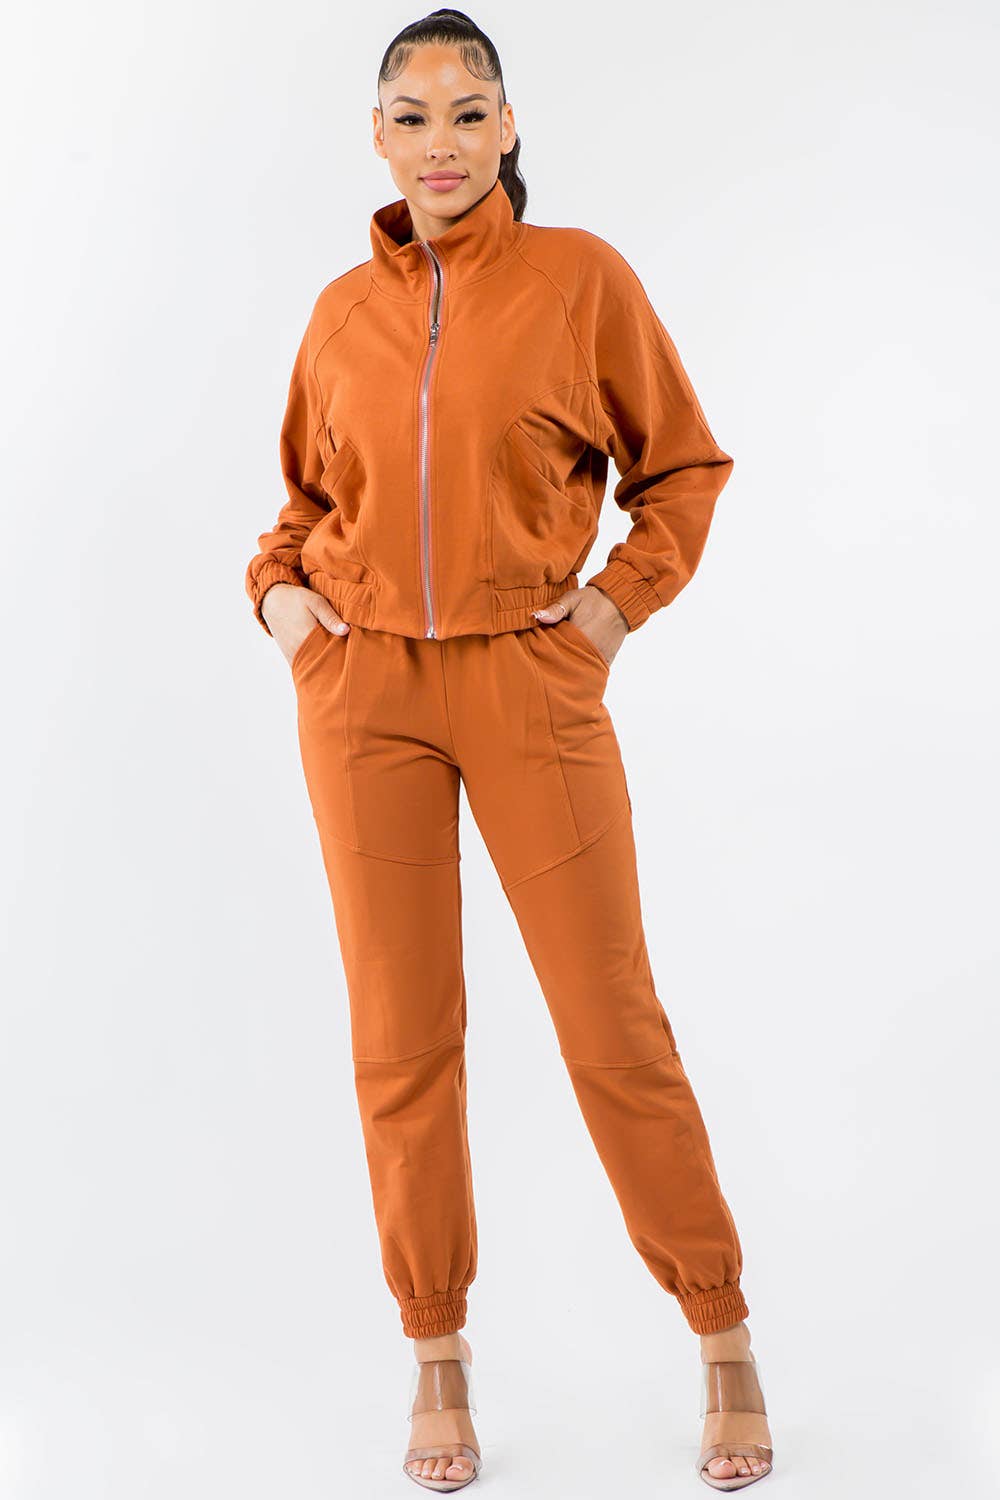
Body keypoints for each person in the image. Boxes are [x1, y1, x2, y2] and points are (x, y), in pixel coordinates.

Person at [244, 8, 773, 1492]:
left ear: (509, 126)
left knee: (611, 1024)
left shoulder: (580, 281)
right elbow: (302, 504)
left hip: (531, 685)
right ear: (376, 137)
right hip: (365, 697)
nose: (442, 144)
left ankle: (721, 1329)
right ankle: (436, 1352)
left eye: (468, 112)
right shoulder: (338, 313)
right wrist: (283, 605)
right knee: (402, 1036)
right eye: (412, 117)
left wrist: (606, 612)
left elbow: (684, 468)